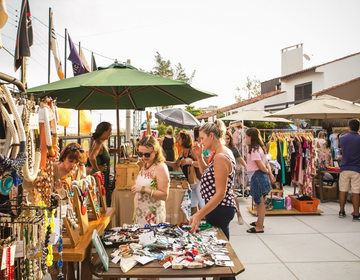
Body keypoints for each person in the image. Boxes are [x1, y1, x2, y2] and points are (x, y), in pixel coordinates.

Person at [190, 120, 237, 244]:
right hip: (218, 207)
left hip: (219, 208)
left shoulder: (221, 156)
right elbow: (207, 173)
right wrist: (199, 156)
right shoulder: (220, 152)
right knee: (219, 244)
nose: (200, 142)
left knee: (220, 245)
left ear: (211, 136)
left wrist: (199, 214)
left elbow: (220, 193)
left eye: (202, 138)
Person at [131, 135, 170, 225]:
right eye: (140, 154)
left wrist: (143, 189)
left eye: (147, 154)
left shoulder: (160, 167)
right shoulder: (145, 164)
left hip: (152, 217)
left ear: (155, 152)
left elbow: (164, 195)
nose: (143, 157)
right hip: (140, 215)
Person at [166, 131, 204, 215]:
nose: (177, 141)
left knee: (203, 206)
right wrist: (164, 162)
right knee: (193, 207)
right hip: (190, 183)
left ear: (184, 140)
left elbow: (201, 164)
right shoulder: (182, 153)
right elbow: (176, 164)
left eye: (178, 138)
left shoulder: (192, 151)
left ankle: (209, 225)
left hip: (198, 182)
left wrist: (190, 162)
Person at [245, 128, 275, 233]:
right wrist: (269, 173)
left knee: (259, 202)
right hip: (257, 175)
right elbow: (266, 161)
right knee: (259, 201)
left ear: (251, 137)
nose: (246, 139)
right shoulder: (259, 148)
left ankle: (260, 226)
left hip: (256, 176)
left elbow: (260, 165)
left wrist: (267, 172)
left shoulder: (254, 149)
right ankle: (259, 222)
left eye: (247, 137)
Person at [338, 119, 360, 221]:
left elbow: (341, 150)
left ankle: (342, 211)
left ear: (349, 127)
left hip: (345, 167)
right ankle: (356, 213)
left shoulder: (342, 138)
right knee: (356, 191)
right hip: (357, 168)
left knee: (343, 189)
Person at [89, 121, 115, 207]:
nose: (110, 133)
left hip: (103, 175)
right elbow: (92, 157)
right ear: (103, 131)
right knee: (100, 201)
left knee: (103, 198)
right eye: (109, 131)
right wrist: (98, 169)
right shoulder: (98, 144)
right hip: (99, 176)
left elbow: (106, 152)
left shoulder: (102, 143)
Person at [225, 130, 247, 225]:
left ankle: (239, 214)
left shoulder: (233, 148)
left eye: (228, 138)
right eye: (224, 138)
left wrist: (247, 168)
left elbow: (240, 158)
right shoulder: (218, 148)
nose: (226, 140)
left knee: (232, 195)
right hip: (219, 175)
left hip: (229, 175)